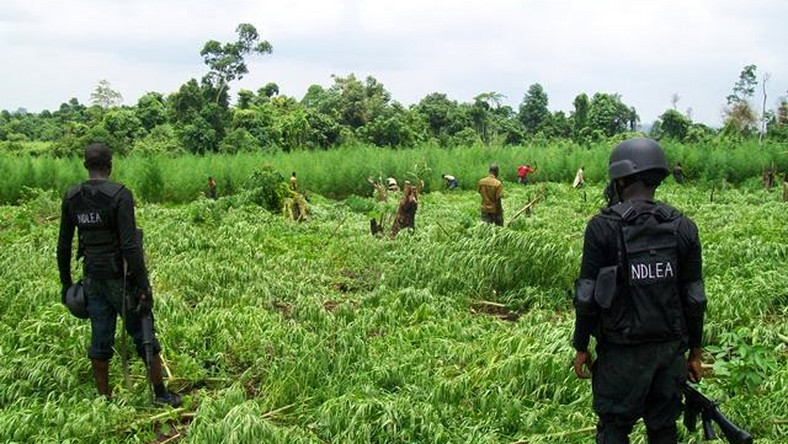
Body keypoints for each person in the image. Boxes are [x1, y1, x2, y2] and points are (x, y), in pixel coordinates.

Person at [572, 138, 706, 444]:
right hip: (669, 353)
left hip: (621, 355)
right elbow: (695, 297)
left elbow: (586, 295)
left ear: (620, 179)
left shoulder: (601, 227)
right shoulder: (684, 226)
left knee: (614, 430)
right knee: (663, 428)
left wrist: (581, 345)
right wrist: (695, 351)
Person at [57, 143, 181, 407]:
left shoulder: (72, 197)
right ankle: (161, 395)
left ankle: (105, 400)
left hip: (92, 279)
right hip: (120, 279)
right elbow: (129, 245)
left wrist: (66, 286)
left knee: (99, 339)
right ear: (110, 165)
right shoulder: (120, 195)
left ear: (86, 165)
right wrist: (144, 285)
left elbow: (64, 246)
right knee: (143, 333)